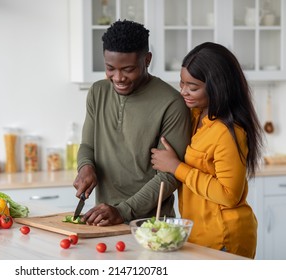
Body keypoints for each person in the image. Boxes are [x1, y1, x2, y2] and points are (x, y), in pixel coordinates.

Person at [73, 20, 191, 226]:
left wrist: (123, 210)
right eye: (110, 68)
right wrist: (85, 167)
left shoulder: (172, 103)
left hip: (152, 225)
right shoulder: (97, 92)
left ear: (147, 60)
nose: (118, 78)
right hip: (104, 219)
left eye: (128, 69)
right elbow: (87, 146)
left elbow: (170, 175)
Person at [150, 42, 263, 259]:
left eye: (192, 87)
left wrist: (176, 167)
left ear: (218, 87)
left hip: (224, 237)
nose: (183, 92)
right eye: (181, 84)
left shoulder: (228, 133)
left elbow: (229, 195)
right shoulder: (196, 116)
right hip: (198, 234)